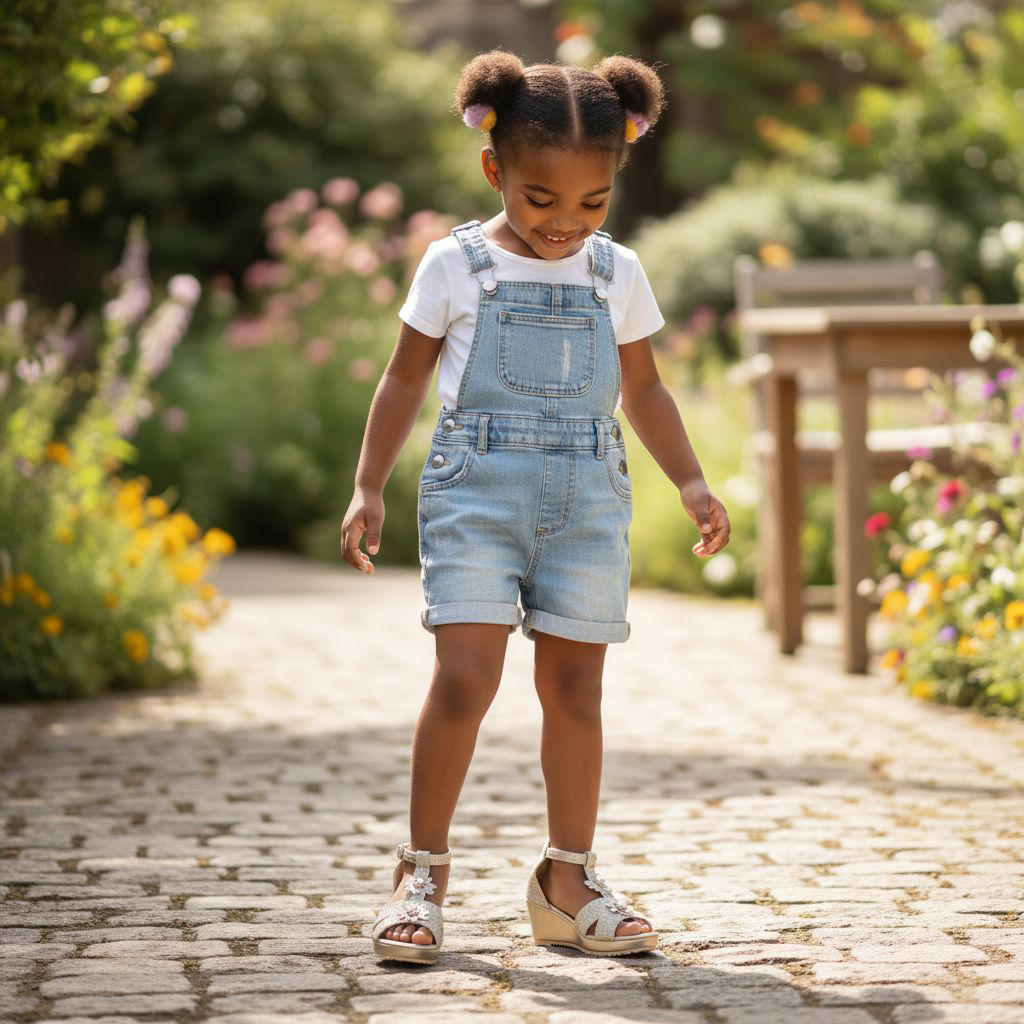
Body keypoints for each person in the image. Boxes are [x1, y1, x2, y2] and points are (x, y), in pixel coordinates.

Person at [341, 49, 731, 964]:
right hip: (475, 492)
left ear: (616, 182)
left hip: (588, 501)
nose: (566, 223)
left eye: (592, 203)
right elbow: (404, 379)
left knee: (575, 690)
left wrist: (691, 479)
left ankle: (567, 878)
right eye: (540, 198)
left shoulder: (616, 272)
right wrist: (368, 482)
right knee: (466, 680)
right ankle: (423, 872)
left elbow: (645, 391)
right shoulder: (455, 264)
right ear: (495, 169)